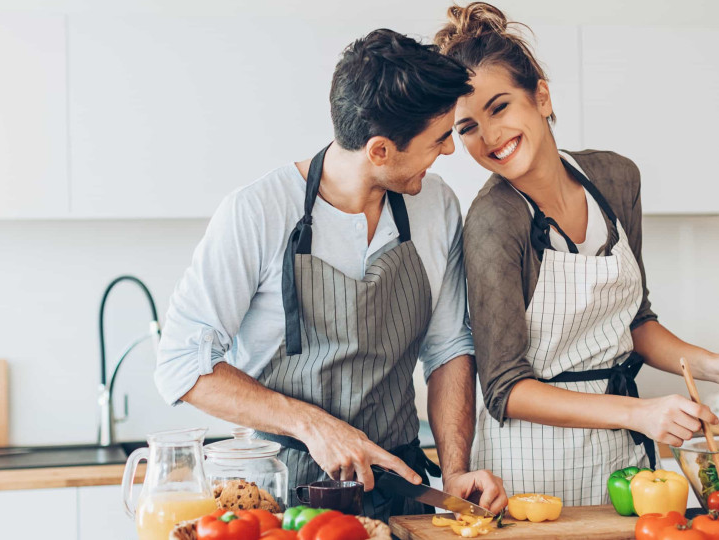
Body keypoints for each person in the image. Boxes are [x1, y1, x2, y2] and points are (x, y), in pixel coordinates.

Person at [434, 2, 719, 506]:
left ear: (540, 95)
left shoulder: (615, 179)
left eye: (499, 107)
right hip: (531, 469)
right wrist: (639, 413)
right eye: (467, 127)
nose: (489, 137)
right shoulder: (495, 221)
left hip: (623, 460)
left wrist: (714, 365)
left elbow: (634, 322)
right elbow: (504, 389)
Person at [155, 28, 507, 520]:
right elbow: (181, 363)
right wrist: (315, 426)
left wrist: (453, 473)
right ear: (380, 150)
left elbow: (448, 348)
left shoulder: (437, 205)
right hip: (278, 497)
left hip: (398, 491)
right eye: (437, 139)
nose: (448, 151)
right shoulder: (257, 212)